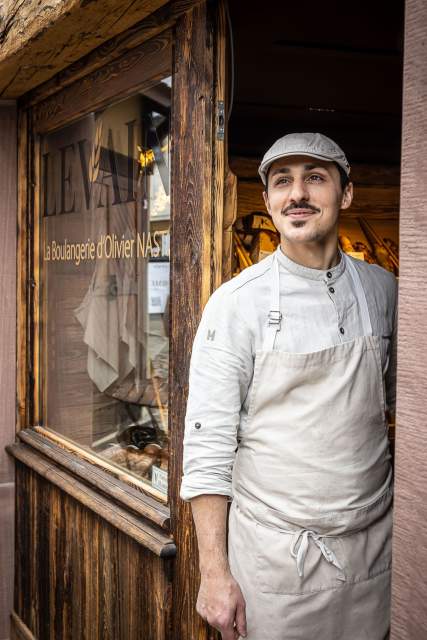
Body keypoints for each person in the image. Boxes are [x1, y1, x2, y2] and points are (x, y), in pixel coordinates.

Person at [180, 132, 398, 640]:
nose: (296, 194)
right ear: (268, 202)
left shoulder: (382, 290)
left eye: (314, 179)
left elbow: (401, 407)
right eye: (283, 182)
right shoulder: (236, 304)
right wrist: (213, 573)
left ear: (346, 194)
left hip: (375, 551)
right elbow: (207, 444)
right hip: (279, 562)